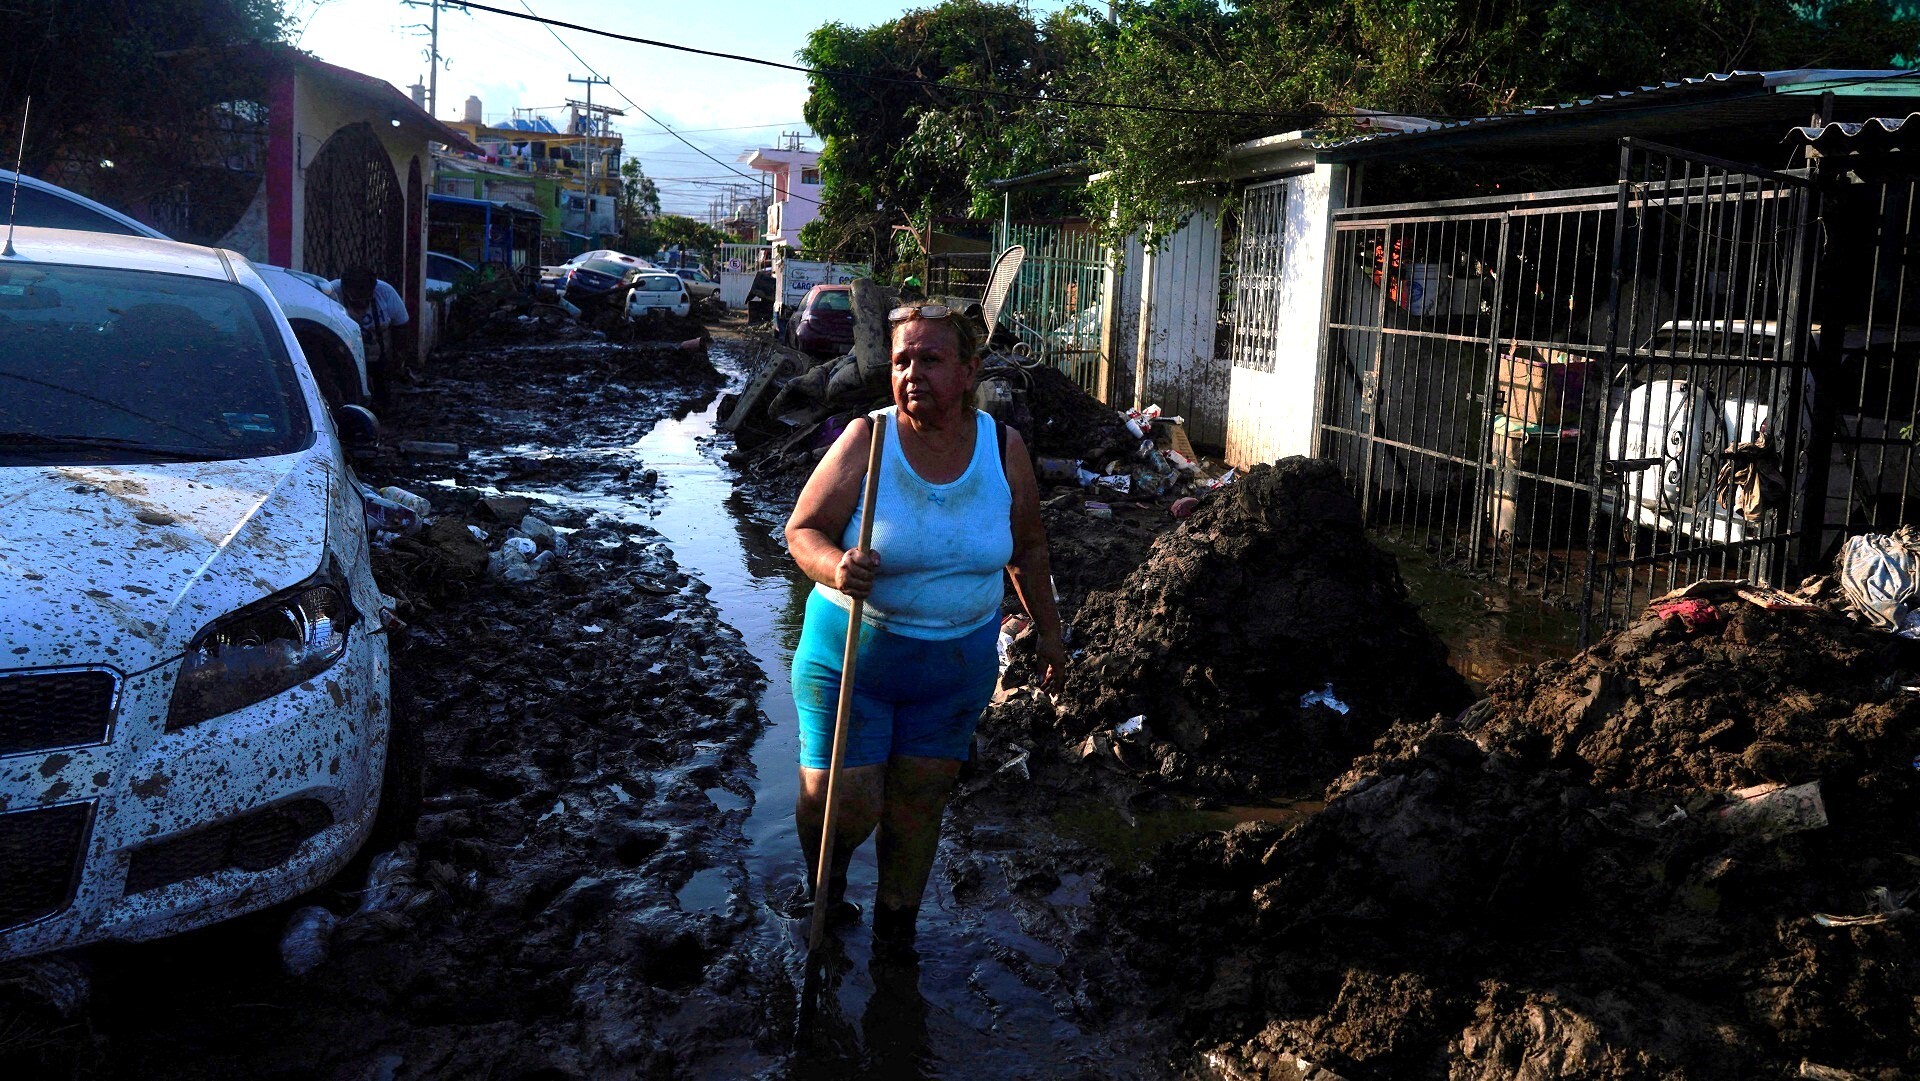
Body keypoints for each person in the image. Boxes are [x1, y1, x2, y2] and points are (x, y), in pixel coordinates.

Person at [784, 301, 1066, 963]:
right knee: (843, 802)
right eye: (901, 359)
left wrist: (1052, 637)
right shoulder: (868, 440)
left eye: (930, 359)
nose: (912, 372)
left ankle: (896, 935)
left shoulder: (1003, 447)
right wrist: (836, 563)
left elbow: (1028, 549)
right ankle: (822, 887)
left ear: (968, 371)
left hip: (953, 667)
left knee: (917, 806)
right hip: (853, 655)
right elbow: (802, 530)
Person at [327, 266, 410, 406]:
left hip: (378, 354)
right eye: (356, 298)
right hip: (344, 355)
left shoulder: (386, 293)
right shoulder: (331, 293)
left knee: (383, 396)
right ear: (345, 290)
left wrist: (397, 359)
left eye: (366, 297)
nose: (361, 304)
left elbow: (401, 327)